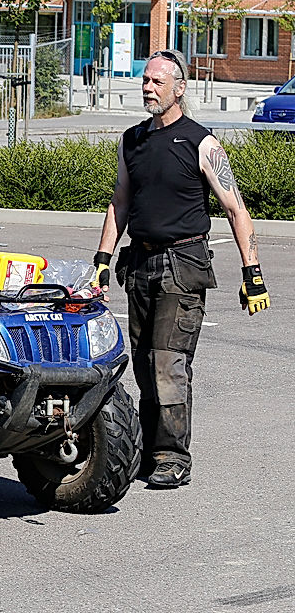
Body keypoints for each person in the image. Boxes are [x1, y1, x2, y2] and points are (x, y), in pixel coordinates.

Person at [93, 48, 270, 489]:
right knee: (142, 363)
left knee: (169, 363)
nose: (148, 87)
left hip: (182, 264)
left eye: (157, 81)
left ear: (179, 88)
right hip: (140, 263)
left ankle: (172, 456)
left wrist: (253, 274)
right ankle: (149, 450)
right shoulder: (132, 140)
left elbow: (235, 208)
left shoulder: (201, 143)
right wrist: (101, 261)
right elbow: (121, 201)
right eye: (146, 80)